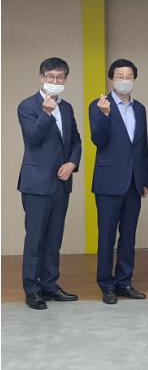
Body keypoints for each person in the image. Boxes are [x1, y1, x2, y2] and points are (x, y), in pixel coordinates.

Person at [17, 57, 81, 310]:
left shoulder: (67, 108)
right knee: (35, 239)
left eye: (60, 77)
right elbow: (32, 140)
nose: (55, 81)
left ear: (66, 79)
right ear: (42, 77)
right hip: (36, 184)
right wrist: (45, 113)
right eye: (51, 77)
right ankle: (32, 289)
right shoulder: (27, 106)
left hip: (61, 183)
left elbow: (75, 139)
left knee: (54, 238)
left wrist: (72, 162)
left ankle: (50, 286)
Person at [89, 59, 148, 305]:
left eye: (128, 76)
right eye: (119, 76)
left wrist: (144, 178)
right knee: (106, 236)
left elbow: (142, 146)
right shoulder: (99, 105)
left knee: (128, 235)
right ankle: (106, 285)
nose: (124, 80)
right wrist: (105, 116)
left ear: (134, 79)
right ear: (111, 79)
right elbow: (98, 140)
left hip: (134, 182)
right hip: (109, 182)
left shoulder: (140, 108)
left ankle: (124, 282)